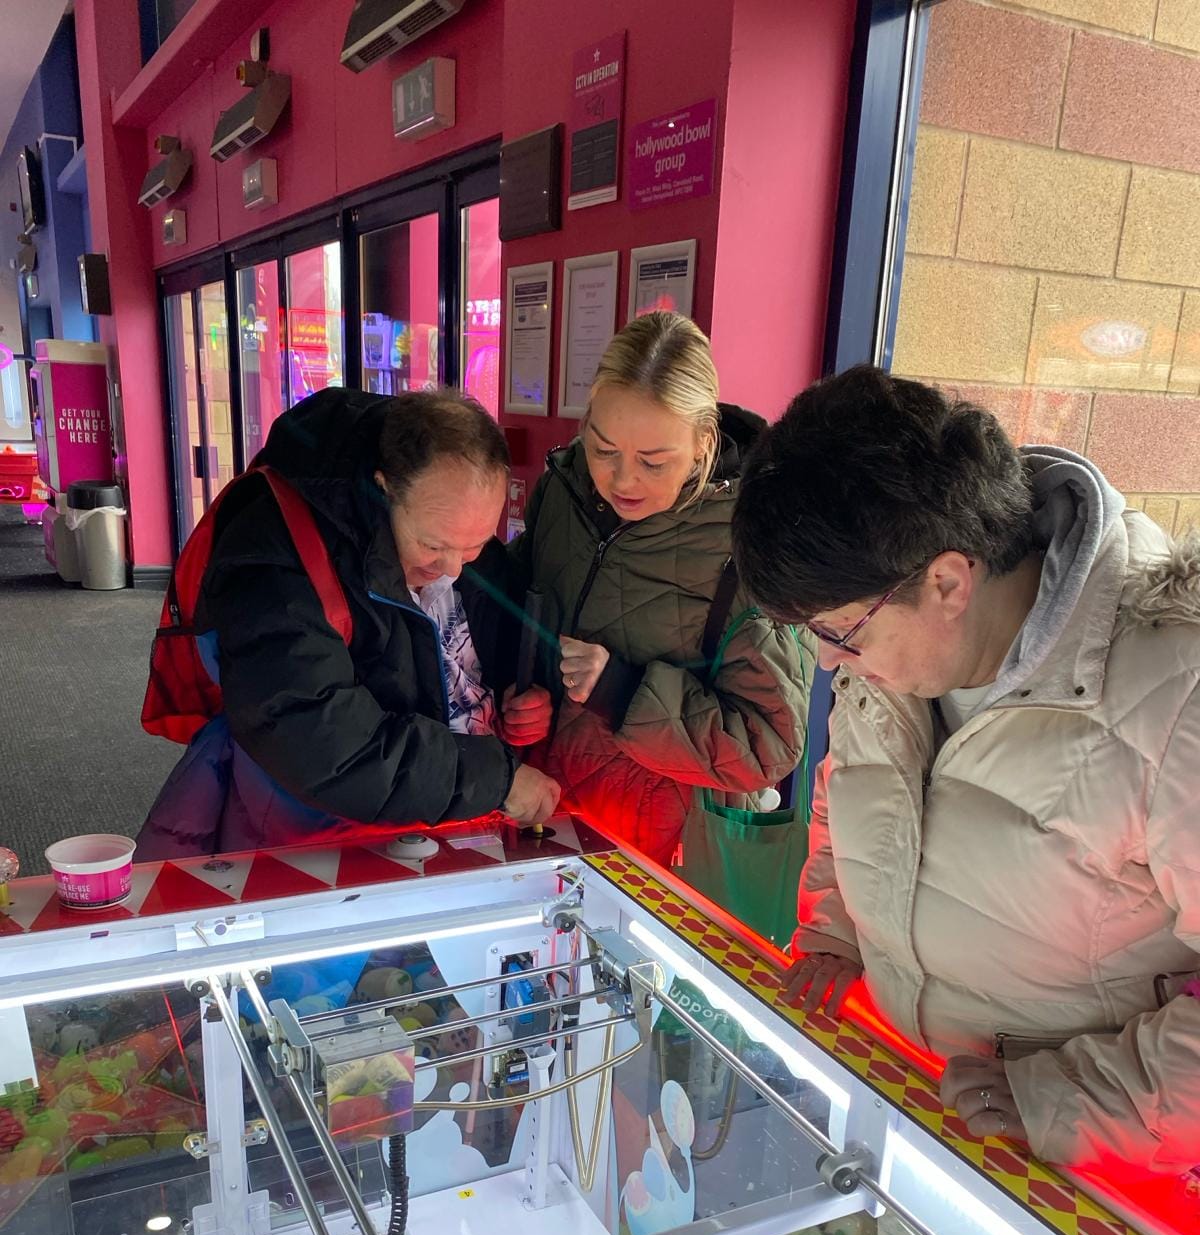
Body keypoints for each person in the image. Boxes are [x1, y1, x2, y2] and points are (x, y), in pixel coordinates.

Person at [732, 364, 1200, 1173]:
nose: (828, 663)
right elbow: (856, 794)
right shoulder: (897, 646)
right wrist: (841, 930)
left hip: (1081, 1167)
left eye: (838, 632)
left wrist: (1074, 1098)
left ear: (948, 581)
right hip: (923, 1097)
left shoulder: (1176, 693)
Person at [137, 387, 558, 858]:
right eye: (433, 546)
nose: (454, 567)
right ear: (383, 489)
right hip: (314, 831)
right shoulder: (276, 548)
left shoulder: (453, 524)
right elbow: (323, 740)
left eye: (476, 544)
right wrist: (493, 778)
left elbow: (486, 650)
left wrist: (521, 697)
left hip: (444, 823)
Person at [510, 312, 812, 866]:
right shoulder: (562, 490)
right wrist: (520, 694)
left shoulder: (754, 540)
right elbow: (519, 612)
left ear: (702, 443)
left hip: (665, 854)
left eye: (653, 462)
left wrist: (624, 693)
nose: (623, 480)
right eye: (603, 449)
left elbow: (768, 744)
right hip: (539, 820)